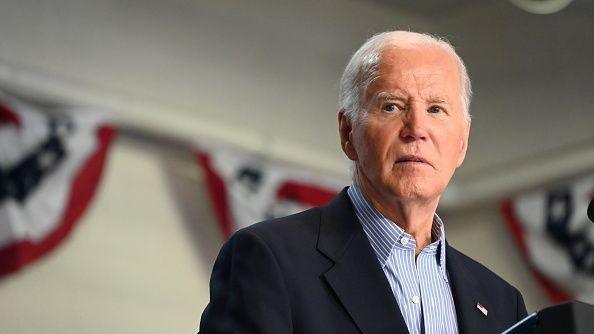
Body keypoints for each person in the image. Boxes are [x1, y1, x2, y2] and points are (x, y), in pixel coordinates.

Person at [199, 31, 527, 334]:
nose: (416, 128)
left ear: (463, 142)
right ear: (348, 133)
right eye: (392, 106)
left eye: (436, 109)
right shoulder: (270, 259)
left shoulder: (501, 302)